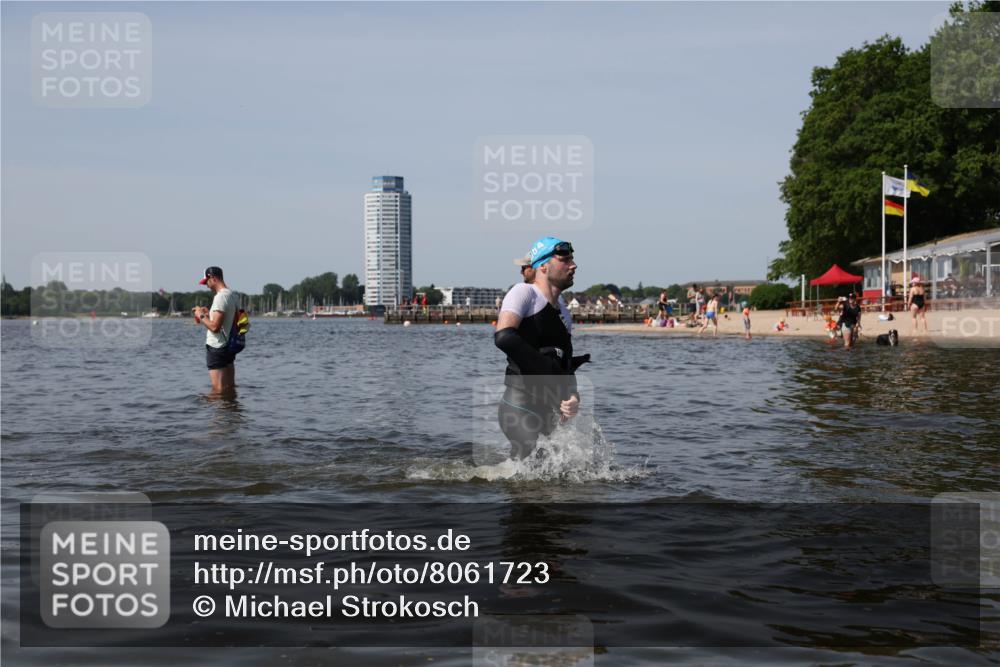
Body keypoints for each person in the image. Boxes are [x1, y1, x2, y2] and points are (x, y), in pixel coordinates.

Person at [494, 237, 589, 459]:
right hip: (520, 403)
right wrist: (548, 371)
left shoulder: (564, 312)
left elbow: (566, 364)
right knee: (531, 461)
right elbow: (504, 337)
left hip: (549, 408)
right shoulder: (524, 293)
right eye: (565, 259)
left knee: (560, 470)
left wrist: (573, 396)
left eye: (572, 259)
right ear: (543, 266)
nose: (573, 265)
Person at [192, 266, 238, 394]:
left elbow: (215, 327)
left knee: (218, 391)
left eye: (206, 281)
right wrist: (209, 314)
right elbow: (228, 319)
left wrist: (200, 315)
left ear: (212, 278)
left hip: (217, 348)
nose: (206, 285)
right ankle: (231, 411)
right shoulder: (232, 295)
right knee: (229, 389)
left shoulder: (220, 297)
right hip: (229, 346)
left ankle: (219, 413)